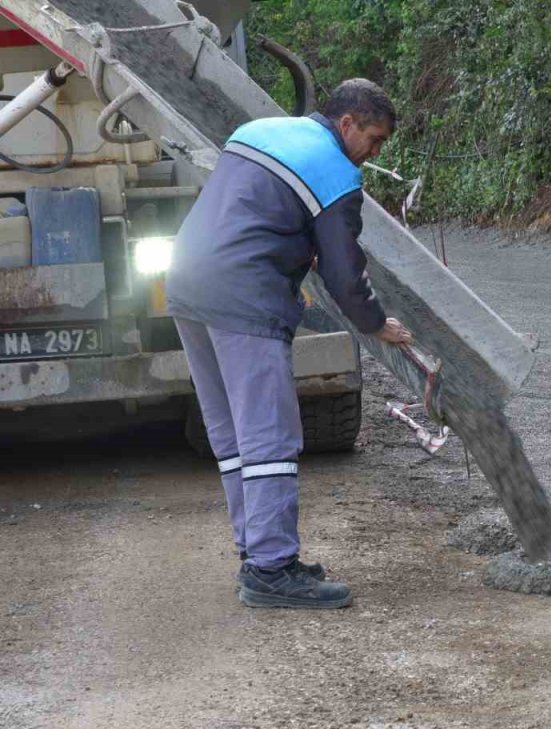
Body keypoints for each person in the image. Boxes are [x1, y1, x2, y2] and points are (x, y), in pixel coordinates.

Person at [166, 78, 412, 609]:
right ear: (347, 124)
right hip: (242, 296)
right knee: (270, 437)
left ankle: (256, 553)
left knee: (232, 435)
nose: (373, 153)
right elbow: (345, 273)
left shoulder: (261, 129)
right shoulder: (334, 171)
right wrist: (374, 323)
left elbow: (255, 215)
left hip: (186, 283)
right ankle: (273, 571)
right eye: (373, 139)